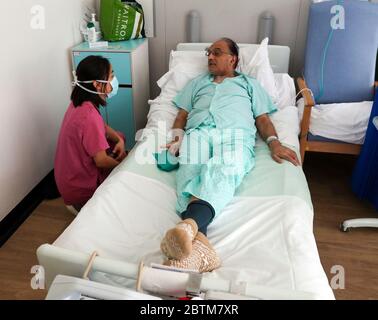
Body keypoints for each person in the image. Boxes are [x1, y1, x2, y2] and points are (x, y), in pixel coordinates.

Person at [160, 38, 300, 273]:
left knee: (223, 171)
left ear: (232, 59)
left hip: (235, 136)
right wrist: (176, 137)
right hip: (199, 132)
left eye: (217, 53)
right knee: (189, 171)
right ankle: (198, 244)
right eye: (208, 53)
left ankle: (189, 227)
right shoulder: (197, 83)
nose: (210, 57)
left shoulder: (249, 84)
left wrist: (274, 142)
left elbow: (263, 119)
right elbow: (182, 114)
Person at [54, 56, 127, 212]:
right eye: (111, 76)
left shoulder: (79, 102)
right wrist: (124, 169)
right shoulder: (88, 116)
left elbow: (103, 127)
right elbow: (101, 161)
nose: (114, 80)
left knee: (119, 136)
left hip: (68, 179)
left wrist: (119, 140)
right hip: (80, 194)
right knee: (125, 185)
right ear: (97, 84)